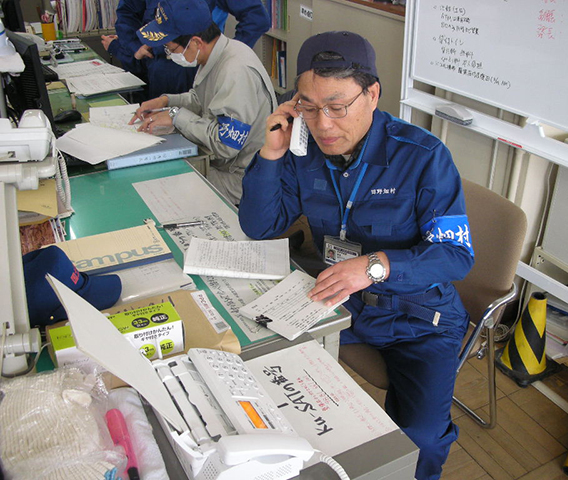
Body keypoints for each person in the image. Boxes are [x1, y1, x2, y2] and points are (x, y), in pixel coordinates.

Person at [237, 31, 475, 480]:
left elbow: (455, 256)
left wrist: (375, 266)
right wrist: (270, 153)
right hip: (337, 303)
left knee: (420, 439)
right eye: (308, 105)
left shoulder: (424, 157)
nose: (323, 123)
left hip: (417, 319)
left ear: (372, 94)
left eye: (337, 106)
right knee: (261, 367)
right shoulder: (302, 145)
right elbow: (261, 225)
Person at [130, 0, 276, 205]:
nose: (169, 54)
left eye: (170, 48)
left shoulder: (235, 71)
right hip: (223, 164)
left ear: (197, 42)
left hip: (242, 178)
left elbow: (226, 144)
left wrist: (175, 116)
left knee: (165, 192)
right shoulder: (215, 53)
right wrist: (166, 101)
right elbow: (202, 100)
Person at [114, 0, 269, 99]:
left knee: (199, 133)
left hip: (196, 64)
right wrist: (134, 45)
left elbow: (256, 19)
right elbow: (126, 12)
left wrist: (227, 56)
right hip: (157, 63)